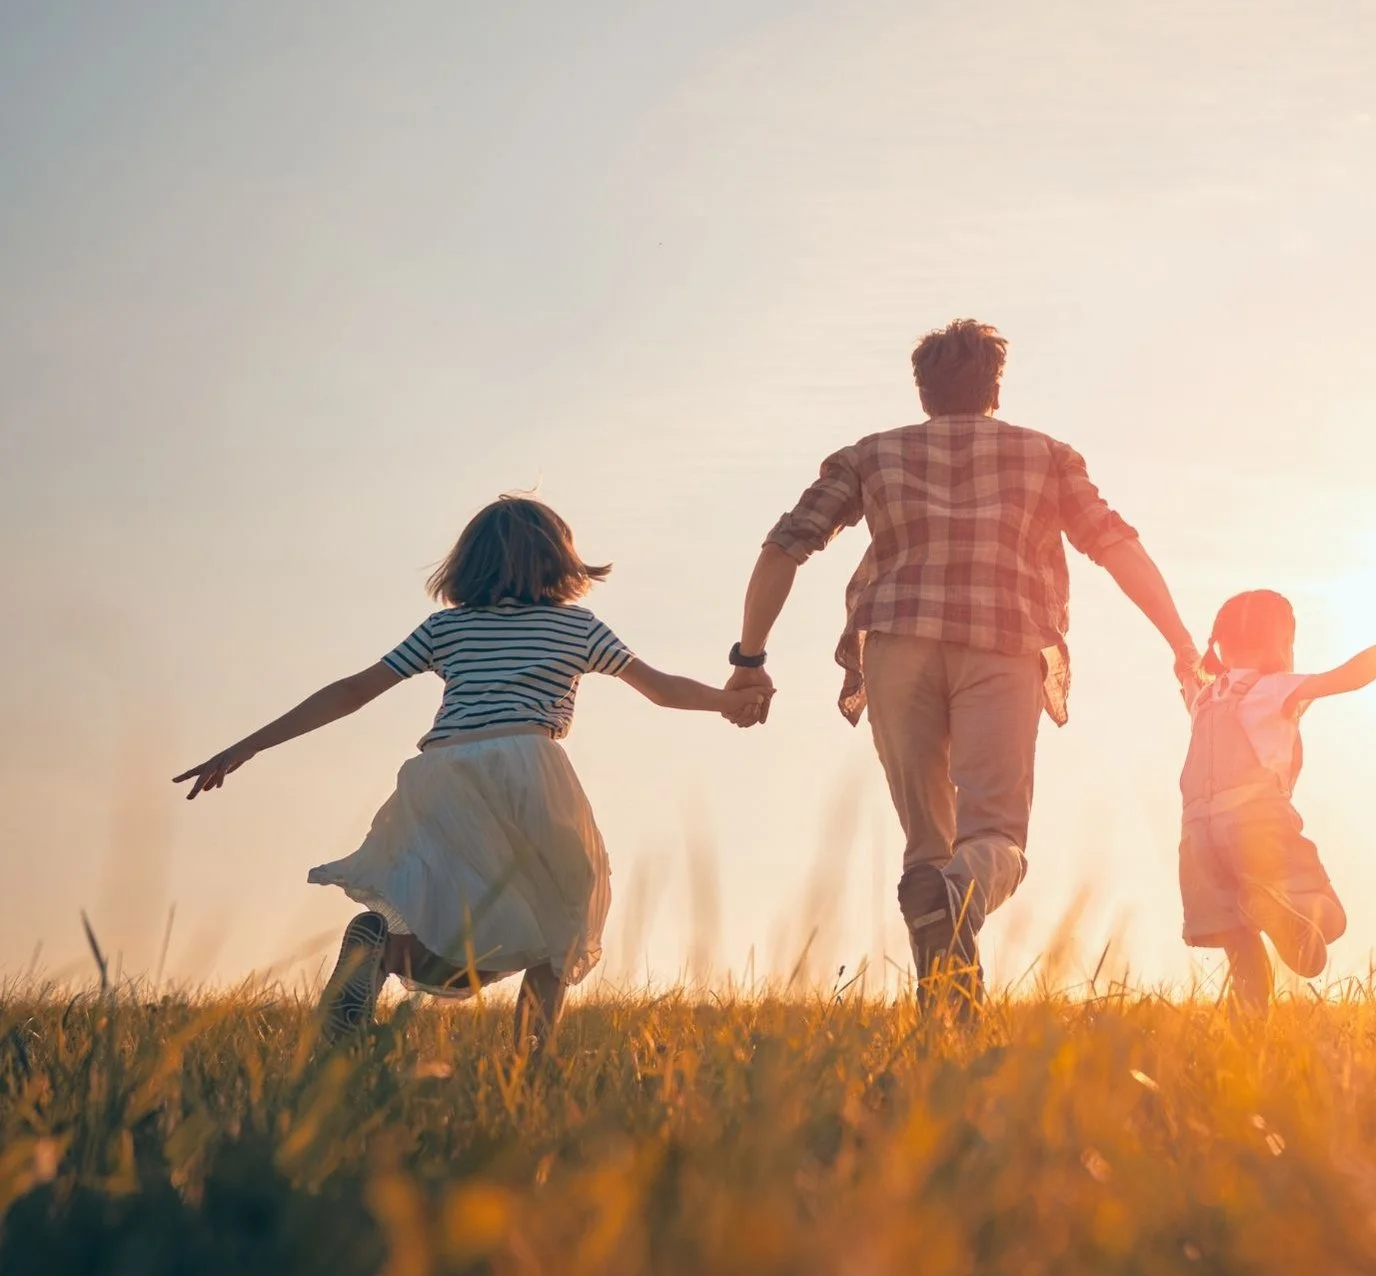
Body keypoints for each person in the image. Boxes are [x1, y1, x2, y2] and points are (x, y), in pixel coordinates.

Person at [172, 495, 762, 1058]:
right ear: (558, 559)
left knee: (445, 907)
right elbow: (661, 690)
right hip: (529, 766)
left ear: (468, 563)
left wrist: (248, 745)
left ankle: (379, 949)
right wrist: (728, 701)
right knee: (564, 913)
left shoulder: (446, 629)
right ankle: (529, 1063)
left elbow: (353, 691)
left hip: (442, 771)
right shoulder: (577, 627)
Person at [727, 319, 1198, 1012]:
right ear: (994, 389)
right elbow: (1116, 545)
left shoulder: (870, 455)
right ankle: (953, 921)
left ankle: (948, 1013)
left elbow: (784, 546)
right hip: (1002, 641)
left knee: (929, 840)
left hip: (897, 645)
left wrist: (750, 658)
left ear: (923, 392)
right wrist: (1180, 640)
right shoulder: (1046, 456)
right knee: (995, 835)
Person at [1178, 591, 1376, 1013]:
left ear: (1222, 646)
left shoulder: (1204, 697)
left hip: (1198, 838)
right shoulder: (1276, 688)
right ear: (1282, 645)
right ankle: (1280, 908)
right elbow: (1351, 676)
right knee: (1329, 918)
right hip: (1255, 822)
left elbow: (1185, 670)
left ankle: (1250, 1029)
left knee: (1239, 944)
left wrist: (1184, 649)